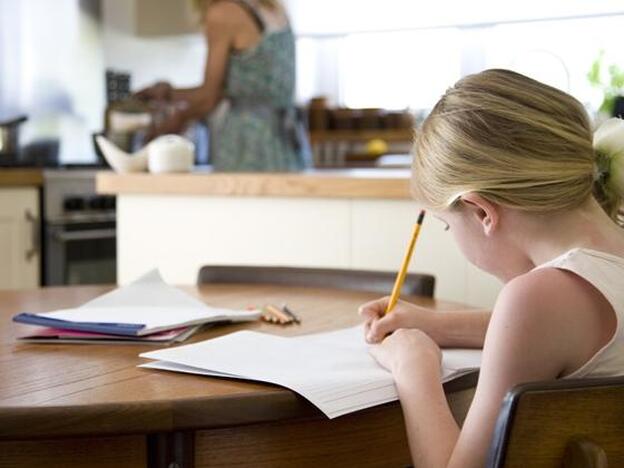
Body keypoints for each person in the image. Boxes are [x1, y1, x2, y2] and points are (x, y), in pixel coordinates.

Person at [359, 69, 624, 467]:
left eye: (448, 225)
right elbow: (555, 332)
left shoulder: (538, 297)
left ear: (482, 210)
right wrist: (436, 325)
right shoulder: (593, 276)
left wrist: (413, 368)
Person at [136, 0, 309, 172]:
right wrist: (169, 94)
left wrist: (173, 124)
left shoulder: (224, 13)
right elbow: (248, 88)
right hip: (289, 143)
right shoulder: (273, 8)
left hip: (249, 145)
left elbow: (208, 98)